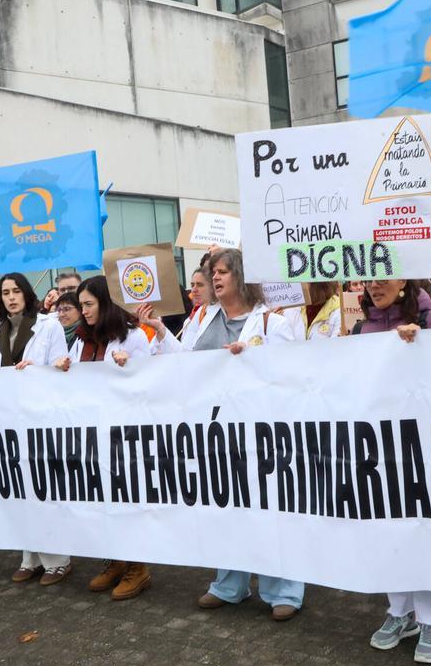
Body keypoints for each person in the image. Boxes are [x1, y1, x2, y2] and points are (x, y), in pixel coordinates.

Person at [146, 249, 304, 621]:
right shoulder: (203, 317)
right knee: (226, 510)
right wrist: (161, 331)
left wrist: (249, 360)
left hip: (259, 436)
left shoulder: (272, 324)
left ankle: (283, 590)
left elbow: (292, 376)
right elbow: (186, 362)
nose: (214, 279)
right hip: (215, 434)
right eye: (212, 273)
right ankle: (229, 585)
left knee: (269, 512)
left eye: (222, 272)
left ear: (241, 276)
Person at [348, 279, 431, 663]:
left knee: (424, 530)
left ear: (404, 279)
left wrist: (423, 345)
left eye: (383, 276)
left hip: (423, 447)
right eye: (369, 278)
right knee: (387, 529)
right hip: (380, 449)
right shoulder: (361, 328)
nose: (375, 285)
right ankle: (400, 612)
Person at [53, 275, 152, 600]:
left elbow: (153, 379)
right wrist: (63, 368)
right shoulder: (81, 340)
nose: (83, 311)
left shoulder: (134, 336)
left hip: (125, 433)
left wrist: (131, 367)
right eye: (81, 305)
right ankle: (115, 559)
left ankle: (139, 566)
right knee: (103, 500)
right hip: (93, 432)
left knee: (129, 499)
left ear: (106, 303)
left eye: (88, 304)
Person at [0, 273, 73, 586]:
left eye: (16, 291)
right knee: (20, 489)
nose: (11, 297)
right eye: (5, 292)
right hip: (12, 418)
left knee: (45, 488)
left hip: (41, 417)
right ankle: (30, 557)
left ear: (26, 294)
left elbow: (60, 366)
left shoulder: (49, 325)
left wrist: (37, 372)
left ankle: (58, 560)